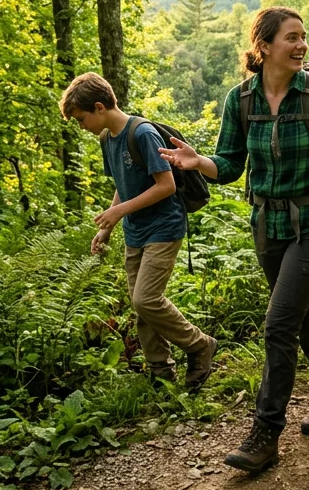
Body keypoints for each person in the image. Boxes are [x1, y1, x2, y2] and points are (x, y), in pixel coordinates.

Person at [159, 7, 309, 474]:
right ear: (263, 46)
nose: (302, 45)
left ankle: (265, 432)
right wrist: (198, 161)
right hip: (268, 226)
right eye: (292, 37)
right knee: (302, 316)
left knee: (278, 323)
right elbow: (228, 165)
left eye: (304, 37)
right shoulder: (239, 100)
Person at [60, 73, 218, 390]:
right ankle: (162, 373)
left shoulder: (142, 133)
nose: (81, 126)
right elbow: (123, 185)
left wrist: (119, 211)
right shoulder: (107, 138)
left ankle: (200, 345)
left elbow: (166, 186)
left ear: (100, 107)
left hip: (164, 226)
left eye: (81, 119)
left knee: (146, 299)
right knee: (140, 303)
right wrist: (109, 225)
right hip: (135, 231)